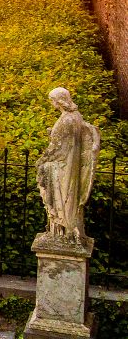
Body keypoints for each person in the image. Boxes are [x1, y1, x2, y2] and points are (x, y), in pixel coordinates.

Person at [37, 87, 100, 244]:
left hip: (62, 169)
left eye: (52, 100)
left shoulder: (67, 120)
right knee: (67, 200)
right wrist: (54, 132)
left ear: (59, 101)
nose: (51, 103)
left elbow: (58, 149)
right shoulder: (75, 116)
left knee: (62, 202)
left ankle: (62, 234)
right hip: (69, 167)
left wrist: (42, 161)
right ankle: (62, 232)